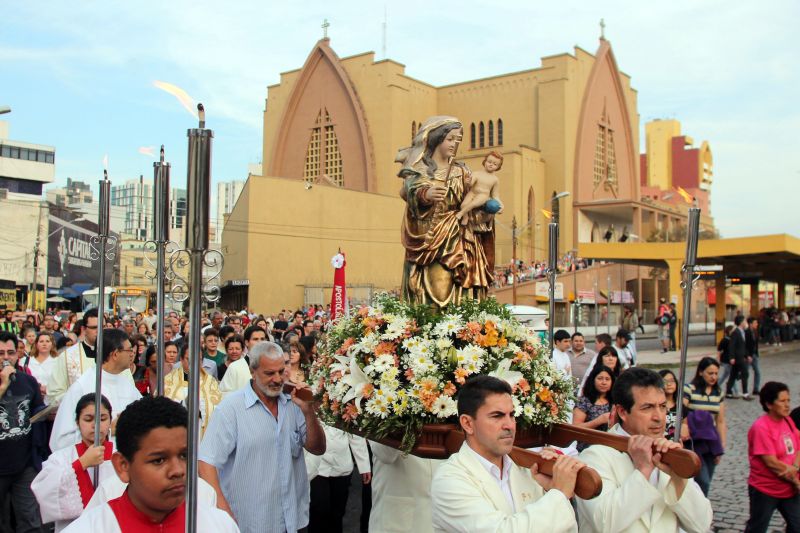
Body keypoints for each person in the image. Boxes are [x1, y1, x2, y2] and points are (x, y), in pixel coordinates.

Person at [199, 341, 325, 533]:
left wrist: (308, 411)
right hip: (251, 522)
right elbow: (206, 463)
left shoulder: (295, 403)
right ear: (252, 371)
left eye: (281, 371)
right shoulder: (231, 409)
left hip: (293, 520)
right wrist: (222, 510)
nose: (277, 379)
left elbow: (317, 448)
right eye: (269, 373)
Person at [61, 395, 239, 532]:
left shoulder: (219, 526)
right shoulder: (90, 528)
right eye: (159, 460)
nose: (178, 471)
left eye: (184, 456)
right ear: (123, 466)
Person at [430, 375, 581, 532]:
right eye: (497, 416)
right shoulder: (450, 480)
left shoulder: (528, 469)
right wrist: (558, 495)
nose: (510, 425)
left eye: (512, 415)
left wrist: (550, 490)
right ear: (467, 424)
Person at [576, 367, 713, 533]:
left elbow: (702, 525)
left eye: (662, 406)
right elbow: (606, 523)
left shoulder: (669, 453)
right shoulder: (594, 457)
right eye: (647, 408)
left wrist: (678, 479)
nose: (659, 417)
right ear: (622, 412)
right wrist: (643, 471)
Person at [397, 116, 493, 308]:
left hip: (461, 237)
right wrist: (426, 194)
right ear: (436, 138)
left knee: (463, 293)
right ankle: (436, 333)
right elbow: (408, 190)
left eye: (458, 140)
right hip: (431, 240)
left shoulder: (462, 171)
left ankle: (463, 334)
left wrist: (485, 209)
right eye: (450, 139)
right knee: (437, 294)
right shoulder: (420, 170)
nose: (454, 144)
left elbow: (471, 199)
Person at [32, 393, 116, 532]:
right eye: (88, 419)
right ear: (77, 422)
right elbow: (43, 491)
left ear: (110, 421)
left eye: (102, 419)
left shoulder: (120, 457)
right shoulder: (61, 458)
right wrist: (80, 464)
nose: (96, 426)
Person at [50, 329, 141, 451]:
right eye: (129, 350)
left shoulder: (126, 383)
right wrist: (107, 432)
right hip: (95, 465)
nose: (132, 354)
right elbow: (60, 441)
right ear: (115, 354)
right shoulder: (82, 387)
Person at [0, 330, 46, 533]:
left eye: (10, 352)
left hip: (24, 463)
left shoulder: (28, 381)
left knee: (30, 522)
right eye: (1, 353)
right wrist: (3, 386)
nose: (6, 358)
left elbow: (38, 411)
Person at [744, 382, 800, 532]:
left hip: (789, 489)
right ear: (769, 404)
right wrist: (795, 480)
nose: (787, 405)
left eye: (788, 400)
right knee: (757, 528)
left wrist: (795, 467)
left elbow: (798, 446)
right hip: (766, 489)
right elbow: (772, 463)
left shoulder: (788, 420)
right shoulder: (761, 427)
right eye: (782, 401)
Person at [306, 425, 371, 533]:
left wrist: (364, 466)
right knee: (318, 511)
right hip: (317, 466)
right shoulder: (310, 407)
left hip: (341, 466)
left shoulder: (350, 407)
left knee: (337, 514)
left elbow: (355, 435)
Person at [681, 357, 727, 496]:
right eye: (710, 373)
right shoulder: (689, 389)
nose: (713, 377)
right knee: (703, 480)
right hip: (694, 441)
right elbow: (682, 414)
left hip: (710, 440)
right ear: (701, 372)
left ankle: (700, 505)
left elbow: (720, 421)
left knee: (708, 479)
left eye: (716, 373)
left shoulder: (718, 393)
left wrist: (721, 445)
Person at [164, 343, 222, 439]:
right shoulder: (167, 381)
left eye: (198, 360)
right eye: (189, 359)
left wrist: (201, 411)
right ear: (181, 360)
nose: (194, 363)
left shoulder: (210, 382)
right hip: (176, 433)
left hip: (200, 434)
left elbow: (218, 409)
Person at [48, 308, 102, 404]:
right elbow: (54, 394)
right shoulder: (67, 356)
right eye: (94, 328)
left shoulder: (116, 355)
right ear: (84, 329)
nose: (99, 331)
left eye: (103, 327)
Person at [573, 365, 615, 451]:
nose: (604, 382)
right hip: (587, 449)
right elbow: (575, 428)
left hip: (610, 448)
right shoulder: (585, 401)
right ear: (593, 380)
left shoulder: (615, 401)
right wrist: (598, 421)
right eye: (600, 378)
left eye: (607, 379)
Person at [455, 151, 503, 225]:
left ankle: (461, 213)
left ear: (498, 167)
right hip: (473, 192)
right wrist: (468, 182)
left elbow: (495, 195)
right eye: (489, 162)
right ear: (485, 162)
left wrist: (501, 205)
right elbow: (471, 184)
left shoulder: (495, 179)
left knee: (473, 203)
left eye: (495, 164)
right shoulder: (476, 173)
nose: (491, 165)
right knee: (463, 205)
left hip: (483, 195)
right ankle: (466, 217)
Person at [217, 326, 266, 394]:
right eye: (255, 339)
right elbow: (224, 394)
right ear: (246, 342)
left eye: (262, 339)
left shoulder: (273, 365)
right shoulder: (235, 367)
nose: (260, 342)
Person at [23, 331, 57, 401]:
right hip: (31, 401)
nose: (44, 344)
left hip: (51, 402)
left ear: (52, 344)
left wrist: (48, 389)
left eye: (47, 341)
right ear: (36, 344)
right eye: (41, 341)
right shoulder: (26, 361)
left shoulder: (58, 361)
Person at [726, 315, 753, 401]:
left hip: (741, 356)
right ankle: (745, 393)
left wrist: (747, 355)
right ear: (741, 322)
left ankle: (729, 392)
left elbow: (743, 346)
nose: (746, 323)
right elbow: (732, 346)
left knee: (733, 375)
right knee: (745, 373)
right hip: (737, 358)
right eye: (745, 321)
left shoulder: (742, 332)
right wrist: (731, 357)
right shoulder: (736, 332)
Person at [658, 369, 680, 440]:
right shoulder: (656, 406)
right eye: (665, 381)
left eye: (672, 381)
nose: (669, 384)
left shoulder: (680, 406)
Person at [746, 317, 762, 397]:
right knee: (745, 373)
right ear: (750, 324)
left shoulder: (755, 332)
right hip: (748, 356)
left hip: (754, 355)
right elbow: (745, 345)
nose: (757, 324)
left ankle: (756, 389)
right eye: (755, 323)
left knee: (758, 372)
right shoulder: (746, 332)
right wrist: (747, 355)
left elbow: (755, 344)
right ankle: (743, 390)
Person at [717, 325, 735, 394]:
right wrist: (718, 360)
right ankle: (735, 391)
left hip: (730, 360)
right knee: (732, 375)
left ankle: (717, 386)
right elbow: (719, 350)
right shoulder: (725, 340)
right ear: (730, 331)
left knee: (725, 375)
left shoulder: (733, 339)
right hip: (725, 360)